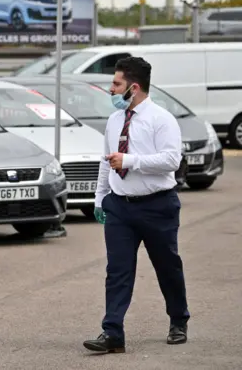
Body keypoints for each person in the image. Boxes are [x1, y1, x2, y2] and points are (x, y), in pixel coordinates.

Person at [84, 56, 189, 353]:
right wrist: (100, 198)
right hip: (119, 207)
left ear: (134, 87)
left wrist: (130, 161)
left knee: (167, 266)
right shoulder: (114, 120)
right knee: (117, 270)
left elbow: (171, 161)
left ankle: (178, 320)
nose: (111, 89)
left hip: (158, 206)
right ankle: (112, 333)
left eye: (116, 84)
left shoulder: (161, 119)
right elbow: (107, 161)